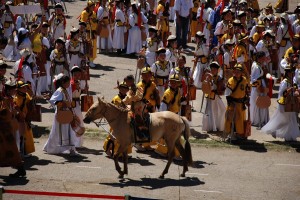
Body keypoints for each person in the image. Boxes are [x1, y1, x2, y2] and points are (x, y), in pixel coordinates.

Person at [261, 65, 300, 141]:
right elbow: (282, 93)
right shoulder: (284, 82)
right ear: (288, 73)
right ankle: (273, 131)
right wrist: (289, 90)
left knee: (291, 119)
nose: (293, 74)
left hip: (290, 103)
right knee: (284, 120)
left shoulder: (292, 81)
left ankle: (289, 136)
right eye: (291, 72)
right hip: (284, 103)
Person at [43, 74, 79, 155]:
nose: (69, 84)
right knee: (57, 132)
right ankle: (51, 147)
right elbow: (53, 100)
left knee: (69, 131)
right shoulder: (60, 90)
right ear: (63, 83)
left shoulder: (65, 90)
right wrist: (63, 103)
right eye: (67, 83)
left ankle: (71, 149)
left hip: (67, 113)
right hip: (61, 113)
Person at [0, 79, 26, 178]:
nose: (15, 91)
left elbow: (5, 113)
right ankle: (20, 168)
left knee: (11, 148)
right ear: (8, 90)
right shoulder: (6, 99)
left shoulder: (6, 100)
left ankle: (20, 168)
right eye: (13, 89)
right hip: (6, 127)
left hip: (6, 129)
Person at [155, 73, 182, 160]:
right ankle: (173, 153)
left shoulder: (177, 91)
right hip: (170, 117)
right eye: (172, 82)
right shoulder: (167, 93)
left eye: (175, 82)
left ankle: (163, 151)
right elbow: (163, 106)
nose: (174, 83)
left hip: (175, 115)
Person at [103, 81, 132, 158]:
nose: (123, 90)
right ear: (119, 89)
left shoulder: (128, 97)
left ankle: (122, 152)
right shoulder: (116, 98)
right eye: (122, 88)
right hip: (116, 120)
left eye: (125, 88)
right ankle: (107, 149)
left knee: (124, 137)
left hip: (124, 120)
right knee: (112, 136)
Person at [134, 66, 160, 151]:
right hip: (141, 109)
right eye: (144, 75)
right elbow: (138, 98)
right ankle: (138, 144)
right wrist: (146, 103)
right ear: (141, 76)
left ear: (150, 75)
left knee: (150, 127)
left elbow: (155, 95)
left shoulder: (153, 84)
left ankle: (147, 144)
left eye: (148, 74)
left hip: (151, 108)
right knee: (141, 126)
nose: (146, 76)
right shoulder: (139, 85)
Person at [224, 64, 250, 141]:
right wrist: (230, 103)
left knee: (240, 120)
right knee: (230, 119)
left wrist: (246, 100)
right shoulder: (231, 81)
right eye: (236, 71)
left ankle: (239, 134)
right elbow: (227, 94)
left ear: (242, 72)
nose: (237, 72)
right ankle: (229, 134)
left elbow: (246, 91)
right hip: (233, 104)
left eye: (239, 71)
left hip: (241, 104)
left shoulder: (244, 80)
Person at [202, 62, 226, 132]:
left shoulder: (219, 78)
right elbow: (206, 87)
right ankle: (212, 128)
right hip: (210, 96)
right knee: (211, 111)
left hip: (217, 96)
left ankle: (219, 126)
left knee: (222, 109)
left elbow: (221, 88)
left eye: (215, 69)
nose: (213, 71)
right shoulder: (208, 77)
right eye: (212, 69)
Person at [14, 81, 35, 157]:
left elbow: (30, 102)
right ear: (18, 89)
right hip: (20, 119)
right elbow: (15, 108)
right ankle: (21, 152)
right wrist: (21, 114)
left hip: (26, 118)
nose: (25, 88)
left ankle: (25, 152)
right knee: (21, 136)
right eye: (22, 87)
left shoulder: (26, 95)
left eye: (25, 87)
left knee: (26, 135)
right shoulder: (16, 98)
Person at [250, 51, 270, 127]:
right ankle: (257, 120)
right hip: (258, 87)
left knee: (260, 102)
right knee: (258, 102)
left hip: (260, 85)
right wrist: (260, 87)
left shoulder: (258, 65)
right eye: (263, 58)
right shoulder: (256, 66)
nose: (265, 59)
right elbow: (254, 79)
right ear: (260, 58)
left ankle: (261, 119)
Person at [70, 66, 85, 148]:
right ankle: (74, 142)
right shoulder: (71, 83)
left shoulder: (78, 82)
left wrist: (83, 90)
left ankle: (78, 142)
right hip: (72, 105)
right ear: (72, 75)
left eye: (79, 75)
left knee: (79, 122)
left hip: (77, 105)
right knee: (75, 123)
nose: (77, 76)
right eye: (75, 75)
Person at [80, 1, 98, 68]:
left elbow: (95, 22)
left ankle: (91, 60)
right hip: (87, 32)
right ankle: (88, 61)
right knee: (87, 47)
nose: (93, 7)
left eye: (94, 6)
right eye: (92, 6)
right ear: (89, 6)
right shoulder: (84, 13)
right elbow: (82, 23)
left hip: (93, 32)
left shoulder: (94, 13)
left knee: (93, 47)